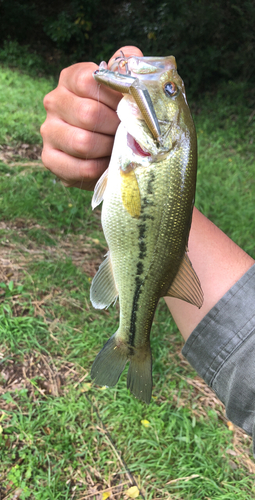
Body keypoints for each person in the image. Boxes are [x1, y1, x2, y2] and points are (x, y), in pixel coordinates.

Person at [41, 46, 255, 451]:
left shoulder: (154, 150)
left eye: (172, 91)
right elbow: (161, 216)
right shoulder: (149, 149)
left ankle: (132, 342)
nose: (167, 82)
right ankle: (132, 343)